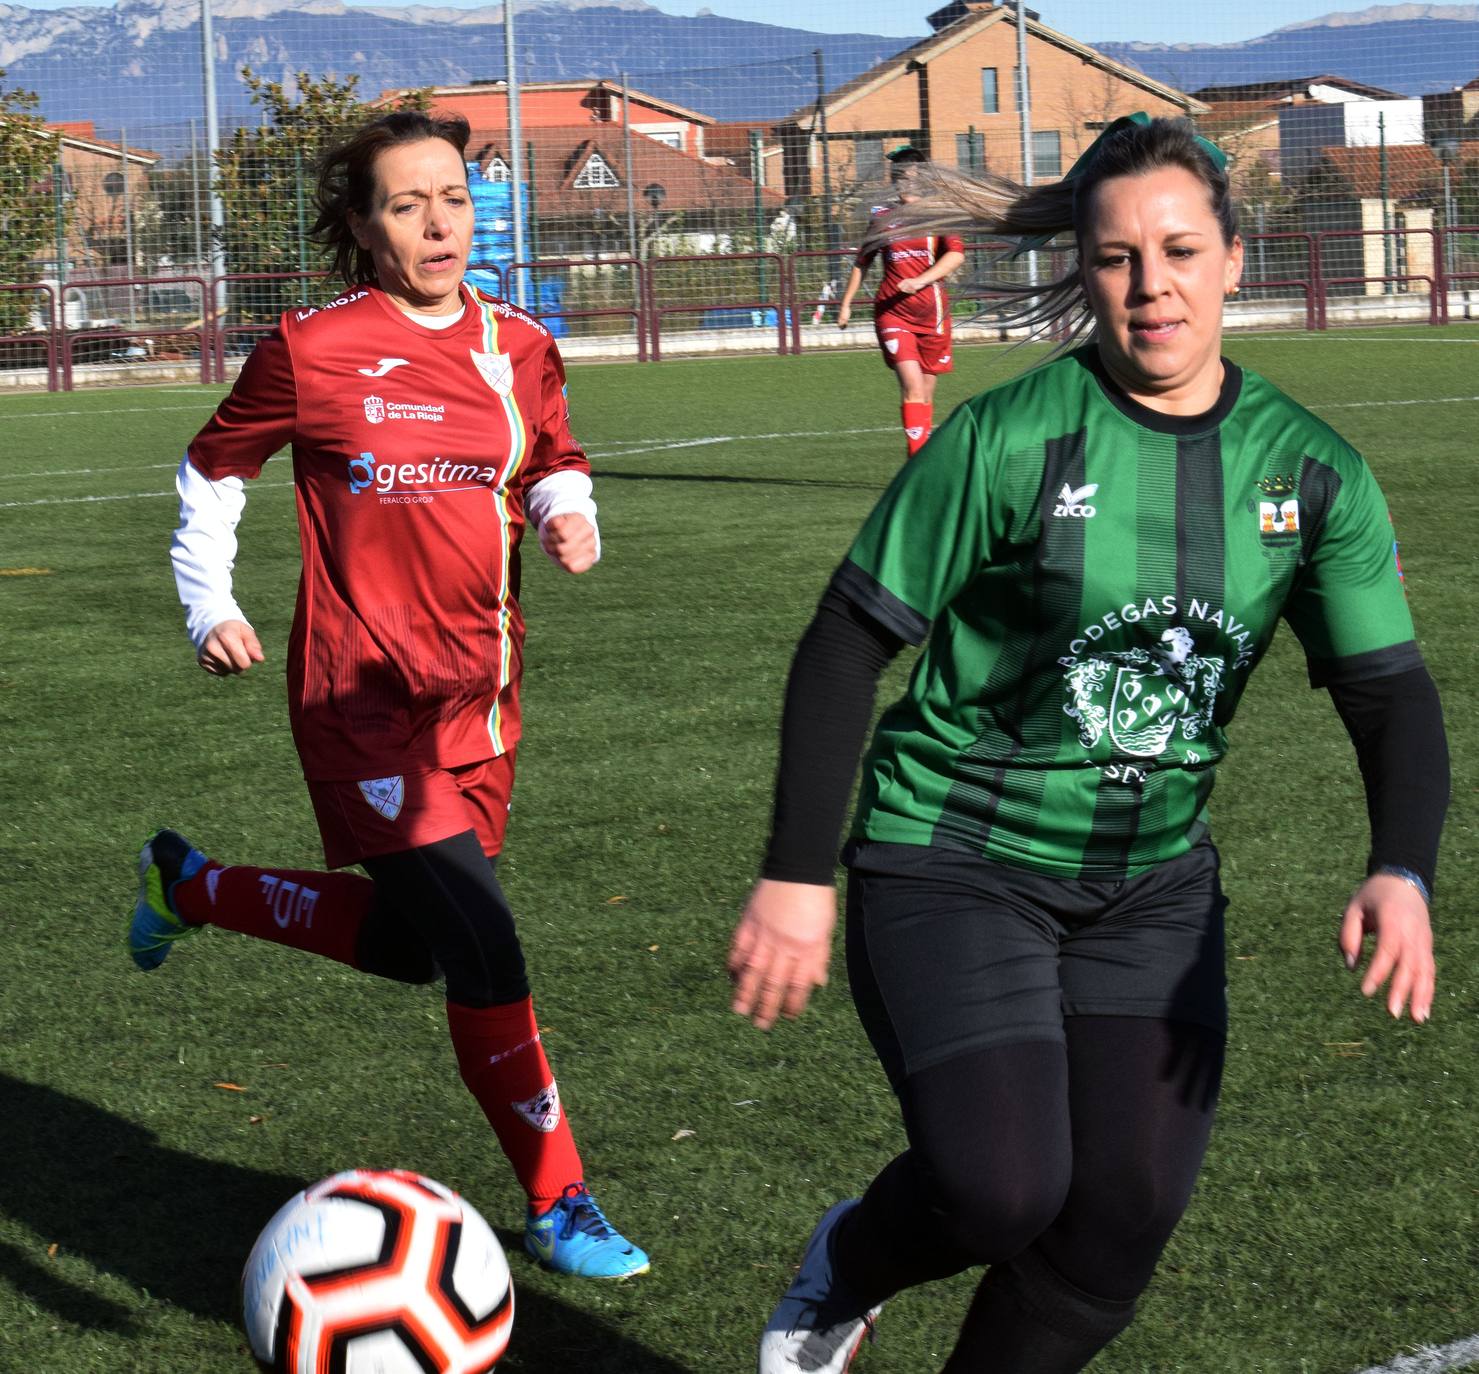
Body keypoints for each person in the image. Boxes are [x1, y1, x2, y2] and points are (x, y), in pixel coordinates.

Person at [730, 114, 1447, 1373]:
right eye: (1117, 258)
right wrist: (795, 874)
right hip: (954, 852)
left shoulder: (1311, 472)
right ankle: (848, 1263)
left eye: (1180, 250)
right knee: (1003, 1190)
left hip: (1152, 890)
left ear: (1235, 256)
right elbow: (848, 639)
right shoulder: (1009, 440)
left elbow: (1389, 693)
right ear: (1086, 269)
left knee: (1120, 1218)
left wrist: (1403, 866)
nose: (1151, 284)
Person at [128, 109, 649, 1280]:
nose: (437, 222)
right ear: (363, 226)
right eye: (407, 204)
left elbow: (554, 455)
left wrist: (570, 512)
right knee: (488, 941)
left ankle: (193, 886)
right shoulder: (313, 349)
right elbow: (214, 470)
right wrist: (208, 602)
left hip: (485, 696)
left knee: (425, 951)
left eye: (455, 199)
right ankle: (562, 1203)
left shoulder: (517, 343)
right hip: (359, 698)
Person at [836, 146, 966, 459]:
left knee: (926, 395)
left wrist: (921, 280)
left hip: (933, 315)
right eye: (900, 178)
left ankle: (919, 457)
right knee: (913, 388)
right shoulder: (882, 217)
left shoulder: (939, 213)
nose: (905, 184)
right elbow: (862, 261)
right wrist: (846, 303)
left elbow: (955, 254)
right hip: (893, 313)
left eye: (910, 178)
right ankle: (916, 465)